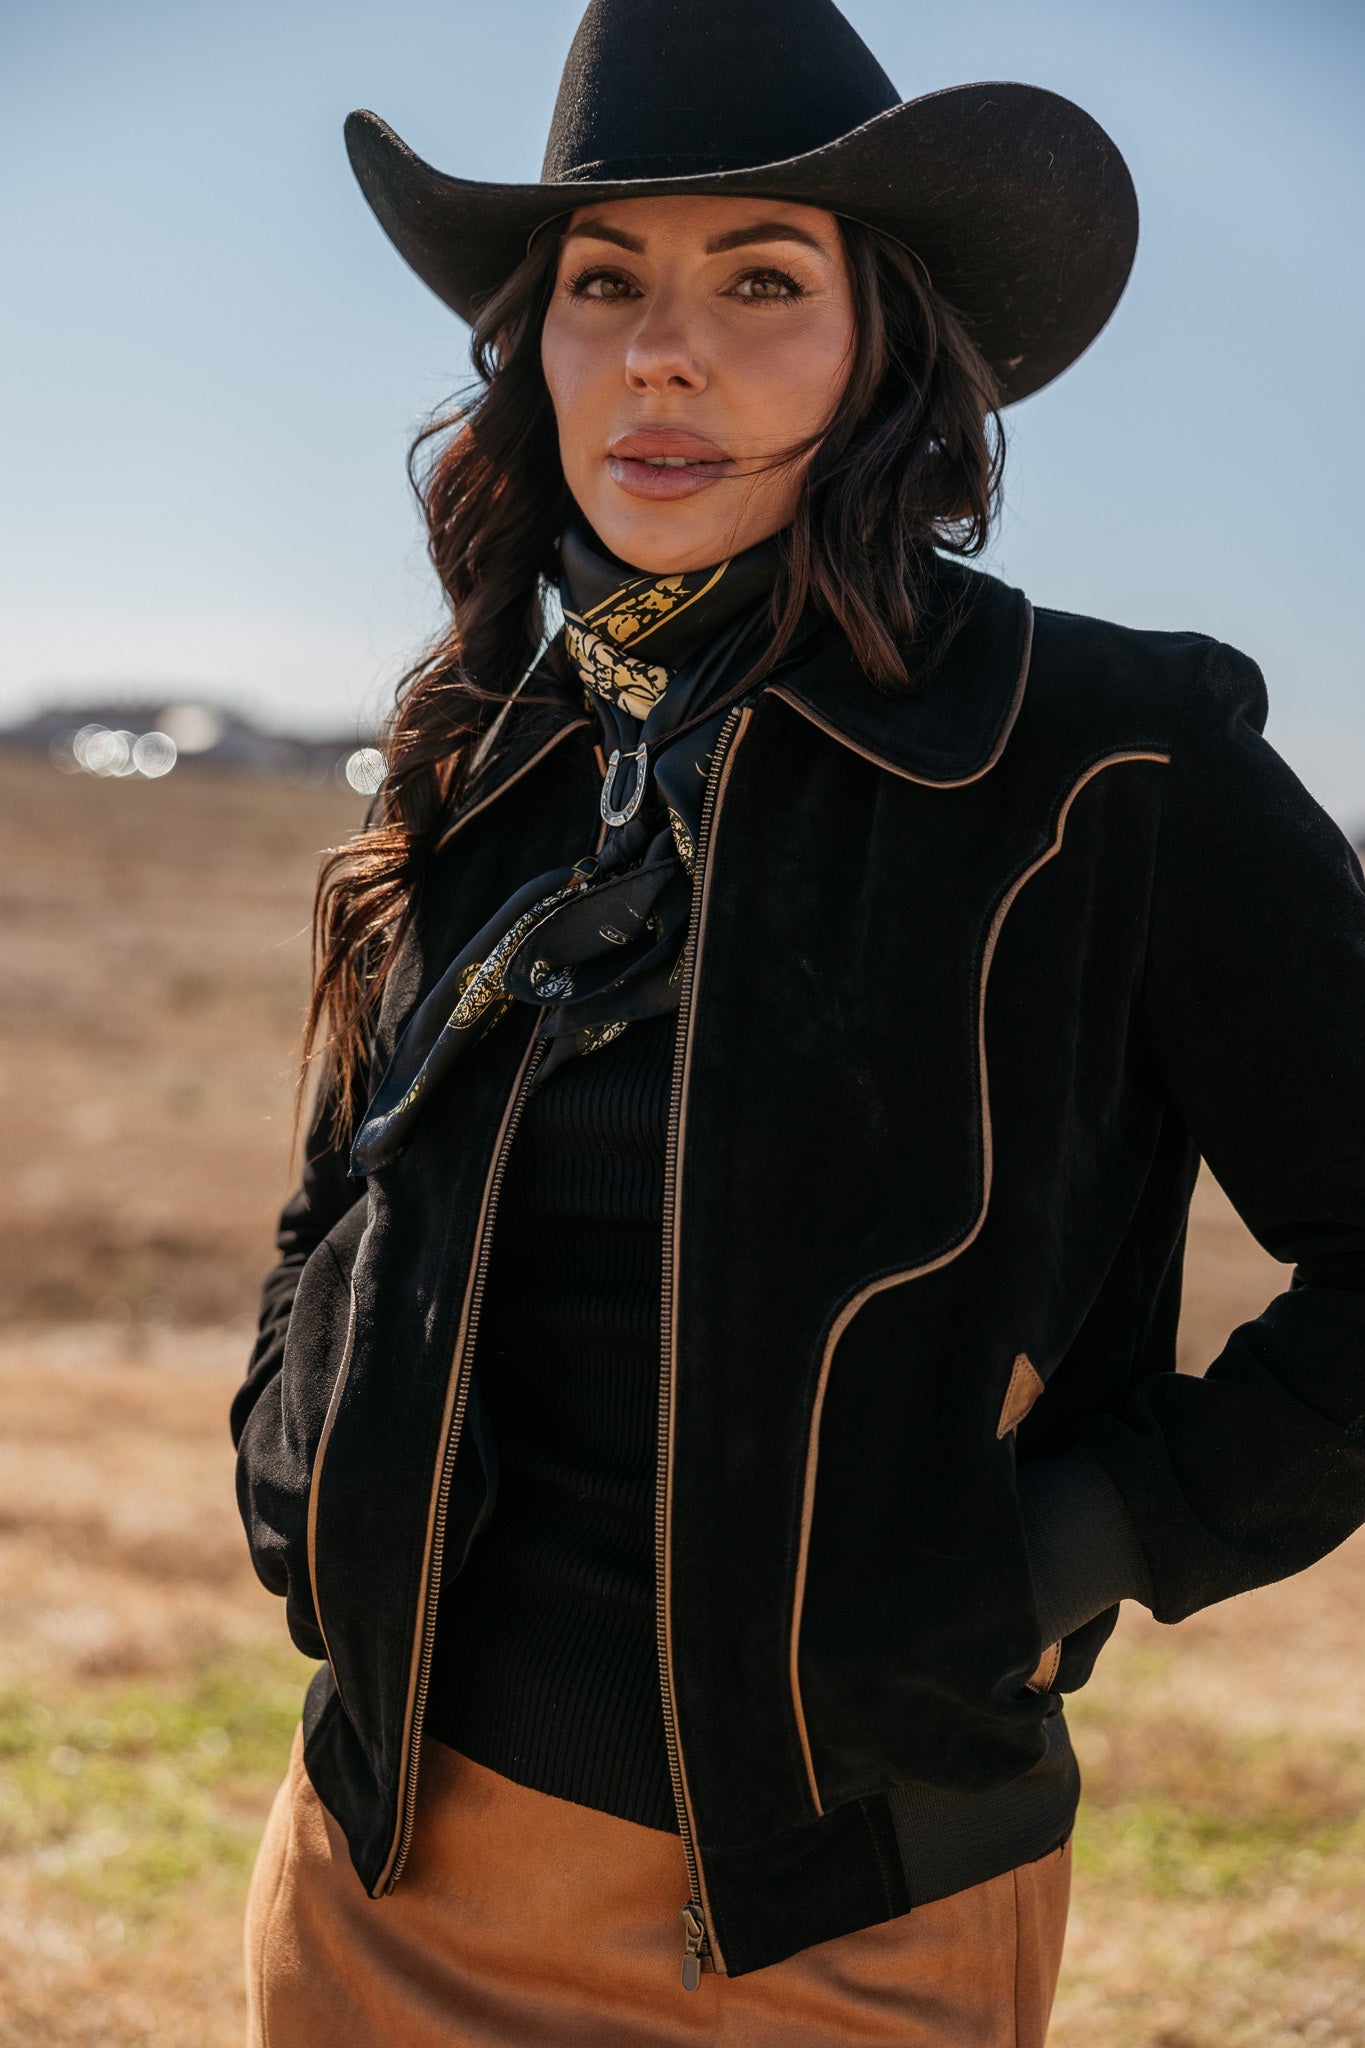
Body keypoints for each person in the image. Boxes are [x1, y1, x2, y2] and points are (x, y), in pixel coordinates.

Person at [230, 2, 1365, 2042]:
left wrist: (1064, 1548)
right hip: (370, 1875)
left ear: (884, 349)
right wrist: (293, 1461)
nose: (662, 352)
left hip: (836, 1930)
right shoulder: (488, 751)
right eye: (602, 284)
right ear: (535, 349)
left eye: (761, 278)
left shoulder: (1107, 758)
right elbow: (343, 1187)